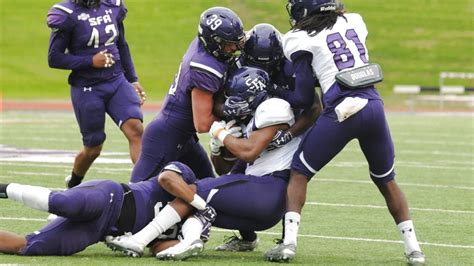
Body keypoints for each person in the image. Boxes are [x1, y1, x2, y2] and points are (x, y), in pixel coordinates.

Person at [264, 1, 425, 264]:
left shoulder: (298, 38)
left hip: (341, 111)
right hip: (373, 106)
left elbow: (304, 96)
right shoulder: (355, 21)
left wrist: (276, 91)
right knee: (386, 180)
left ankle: (289, 244)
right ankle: (414, 250)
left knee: (300, 173)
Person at [105, 66, 301, 260]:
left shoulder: (273, 107)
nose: (232, 103)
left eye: (238, 96)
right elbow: (224, 170)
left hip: (270, 189)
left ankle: (138, 240)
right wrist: (217, 148)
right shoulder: (251, 120)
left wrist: (220, 133)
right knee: (199, 205)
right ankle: (189, 241)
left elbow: (249, 152)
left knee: (192, 191)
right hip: (262, 203)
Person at [213, 23, 322, 252]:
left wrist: (288, 135)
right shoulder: (239, 64)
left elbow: (314, 107)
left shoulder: (290, 65)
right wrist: (230, 111)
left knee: (293, 178)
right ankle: (247, 237)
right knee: (236, 174)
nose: (264, 69)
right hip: (255, 123)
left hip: (292, 125)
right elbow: (219, 101)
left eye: (270, 63)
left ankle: (287, 240)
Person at [129, 6, 246, 183]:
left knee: (208, 188)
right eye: (227, 43)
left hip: (185, 138)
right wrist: (230, 123)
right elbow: (203, 123)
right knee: (136, 198)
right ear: (213, 41)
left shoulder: (205, 45)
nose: (233, 47)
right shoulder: (205, 67)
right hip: (166, 137)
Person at [0, 161, 212, 256]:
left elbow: (157, 248)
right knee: (63, 203)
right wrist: (200, 204)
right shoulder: (188, 180)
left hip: (100, 230)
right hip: (112, 196)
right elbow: (167, 178)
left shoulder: (190, 224)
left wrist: (188, 243)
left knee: (30, 246)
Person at [47, 0, 146, 188]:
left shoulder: (112, 6)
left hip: (116, 80)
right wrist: (89, 61)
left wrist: (132, 79)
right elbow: (54, 58)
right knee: (93, 148)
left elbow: (121, 45)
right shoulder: (67, 14)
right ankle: (74, 183)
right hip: (87, 88)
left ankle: (143, 187)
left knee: (136, 130)